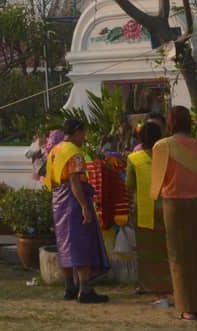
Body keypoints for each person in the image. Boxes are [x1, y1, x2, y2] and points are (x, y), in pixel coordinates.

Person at [150, 106, 197, 320]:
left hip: (174, 205)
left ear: (170, 123)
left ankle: (188, 307)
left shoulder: (162, 146)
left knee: (179, 257)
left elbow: (156, 184)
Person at [46, 115, 110, 304]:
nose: (84, 137)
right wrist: (84, 207)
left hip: (58, 200)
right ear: (76, 133)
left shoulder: (54, 151)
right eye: (83, 133)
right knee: (82, 243)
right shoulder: (74, 153)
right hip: (74, 200)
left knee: (65, 244)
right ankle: (85, 289)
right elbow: (75, 182)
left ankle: (69, 288)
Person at [126, 120, 173, 305]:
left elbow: (129, 184)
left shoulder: (134, 159)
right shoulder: (168, 156)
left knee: (149, 253)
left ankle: (157, 293)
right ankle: (174, 288)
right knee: (169, 251)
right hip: (168, 208)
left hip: (145, 211)